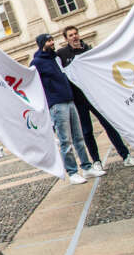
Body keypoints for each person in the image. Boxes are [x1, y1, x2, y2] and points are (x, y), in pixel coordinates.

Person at [56, 25, 134, 168]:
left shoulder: (88, 50)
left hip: (95, 96)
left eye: (76, 34)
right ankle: (96, 161)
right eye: (70, 35)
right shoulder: (62, 54)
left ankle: (125, 155)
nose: (74, 37)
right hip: (79, 99)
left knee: (109, 125)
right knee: (87, 131)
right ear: (66, 38)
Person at [30, 33, 106, 185]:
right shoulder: (36, 62)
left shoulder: (55, 58)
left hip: (70, 100)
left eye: (52, 40)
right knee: (65, 141)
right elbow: (33, 82)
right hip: (57, 104)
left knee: (78, 137)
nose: (52, 43)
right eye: (49, 41)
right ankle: (72, 172)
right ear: (42, 44)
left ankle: (87, 167)